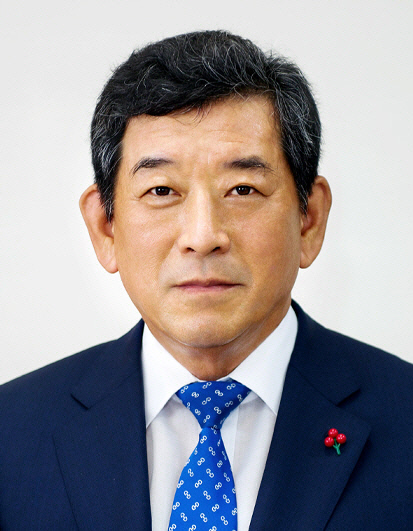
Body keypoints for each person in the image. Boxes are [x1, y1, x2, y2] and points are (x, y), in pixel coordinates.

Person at [1, 30, 412, 531]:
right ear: (105, 227)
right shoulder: (11, 434)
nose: (202, 237)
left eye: (242, 189)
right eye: (161, 190)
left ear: (309, 220)